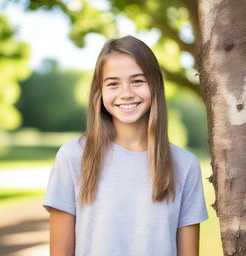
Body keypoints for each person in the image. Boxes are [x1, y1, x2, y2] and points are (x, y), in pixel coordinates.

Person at [43, 35, 209, 256]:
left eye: (137, 81)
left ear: (155, 85)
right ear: (99, 92)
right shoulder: (73, 156)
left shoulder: (185, 165)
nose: (126, 93)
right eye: (113, 83)